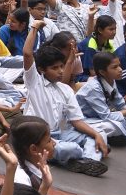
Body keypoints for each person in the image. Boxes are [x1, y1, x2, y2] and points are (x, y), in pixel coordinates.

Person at [22, 21, 109, 177]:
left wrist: (96, 135)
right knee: (72, 148)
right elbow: (28, 54)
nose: (61, 71)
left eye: (62, 66)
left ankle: (87, 161)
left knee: (100, 135)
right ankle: (73, 156)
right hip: (38, 137)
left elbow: (77, 121)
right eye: (55, 68)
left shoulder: (66, 90)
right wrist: (34, 28)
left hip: (58, 134)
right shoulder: (35, 83)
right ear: (42, 69)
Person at [76, 51, 126, 145]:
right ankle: (105, 137)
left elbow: (120, 104)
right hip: (83, 121)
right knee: (112, 126)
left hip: (98, 117)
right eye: (115, 67)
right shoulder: (93, 88)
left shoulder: (111, 80)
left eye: (119, 65)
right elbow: (106, 116)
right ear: (102, 72)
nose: (120, 69)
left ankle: (120, 133)